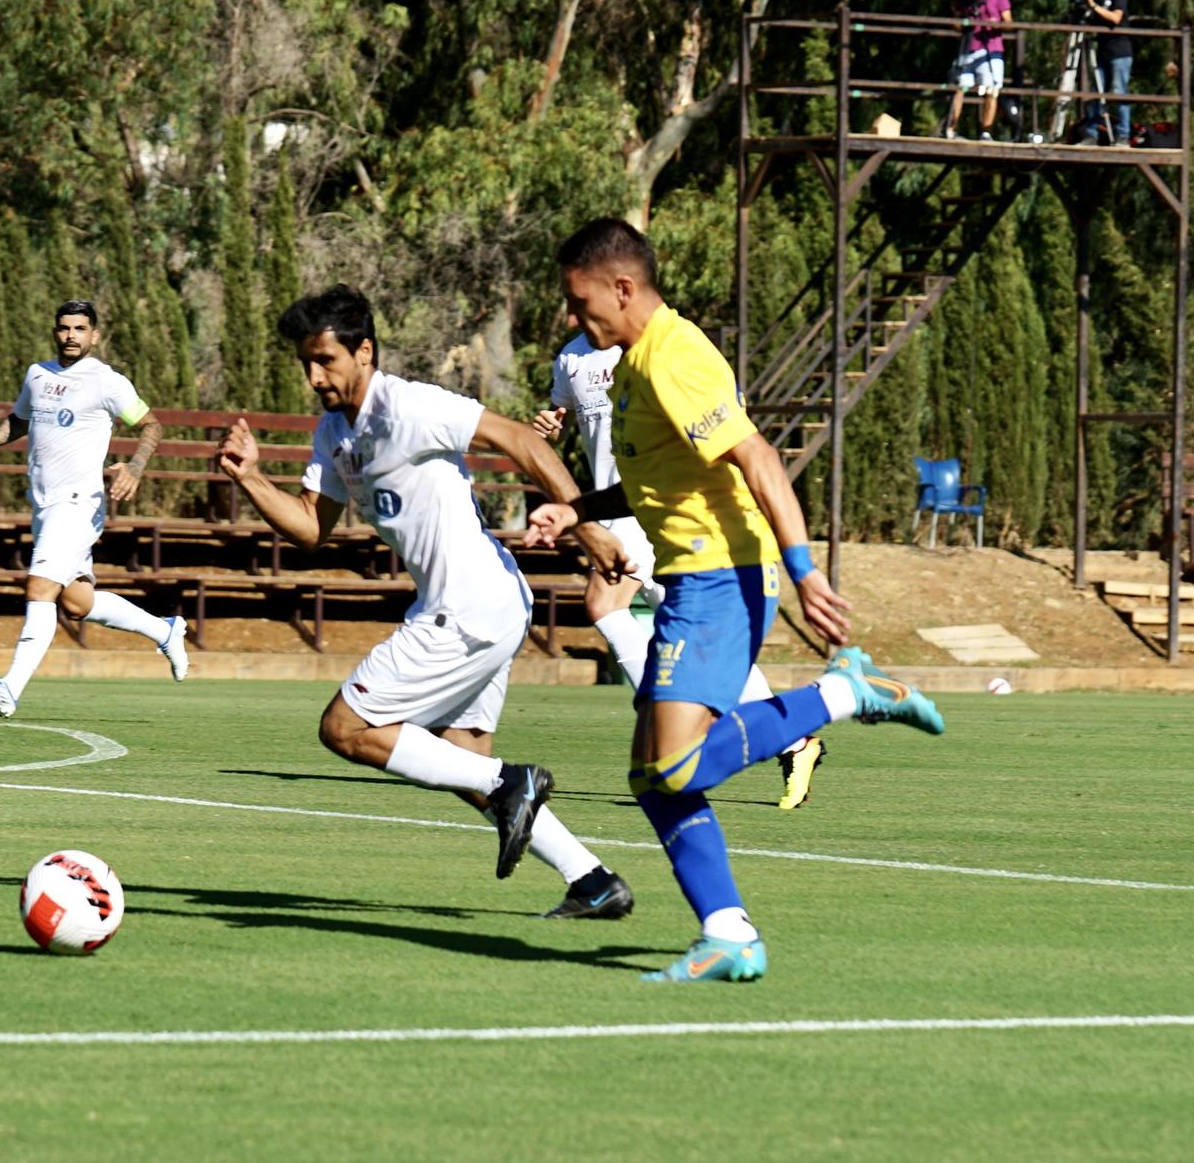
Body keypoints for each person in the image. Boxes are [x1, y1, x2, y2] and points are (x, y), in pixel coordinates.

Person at [525, 219, 945, 983]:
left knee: (677, 765)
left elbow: (758, 458)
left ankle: (845, 693)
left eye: (582, 303)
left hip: (723, 574)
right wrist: (579, 508)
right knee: (652, 778)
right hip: (694, 574)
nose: (575, 320)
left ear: (624, 288)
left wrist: (806, 570)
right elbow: (661, 478)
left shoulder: (676, 357)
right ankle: (728, 933)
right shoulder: (632, 362)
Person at [216, 284, 637, 919]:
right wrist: (250, 478)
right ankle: (593, 881)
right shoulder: (335, 432)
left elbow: (524, 443)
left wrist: (587, 527)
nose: (313, 376)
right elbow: (310, 527)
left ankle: (511, 784)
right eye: (305, 362)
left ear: (364, 352)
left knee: (346, 728)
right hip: (484, 603)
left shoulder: (410, 405)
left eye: (325, 360)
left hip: (469, 605)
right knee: (463, 759)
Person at [533, 336, 826, 810]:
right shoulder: (570, 356)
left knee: (603, 604)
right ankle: (792, 738)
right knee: (697, 638)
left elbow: (734, 429)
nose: (580, 310)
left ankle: (673, 730)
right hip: (614, 504)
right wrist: (551, 424)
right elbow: (563, 416)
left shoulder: (662, 347)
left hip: (653, 507)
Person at [0, 300, 191, 718]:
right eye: (65, 328)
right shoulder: (37, 374)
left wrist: (133, 467)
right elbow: (21, 420)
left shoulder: (107, 381)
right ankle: (164, 629)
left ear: (94, 335)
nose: (71, 336)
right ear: (55, 331)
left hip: (79, 504)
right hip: (44, 505)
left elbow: (152, 424)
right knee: (77, 602)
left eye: (80, 329)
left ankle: (10, 687)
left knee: (39, 588)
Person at [943, 0, 1013, 142]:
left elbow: (1009, 22)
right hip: (968, 47)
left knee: (991, 89)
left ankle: (986, 131)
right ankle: (951, 129)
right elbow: (956, 24)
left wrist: (994, 23)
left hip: (991, 48)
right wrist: (961, 18)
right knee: (960, 87)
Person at [1082, 0, 1132, 145]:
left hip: (1119, 51)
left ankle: (1123, 135)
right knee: (1097, 93)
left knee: (1119, 92)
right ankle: (1091, 133)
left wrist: (1094, 6)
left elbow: (1115, 18)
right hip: (1101, 53)